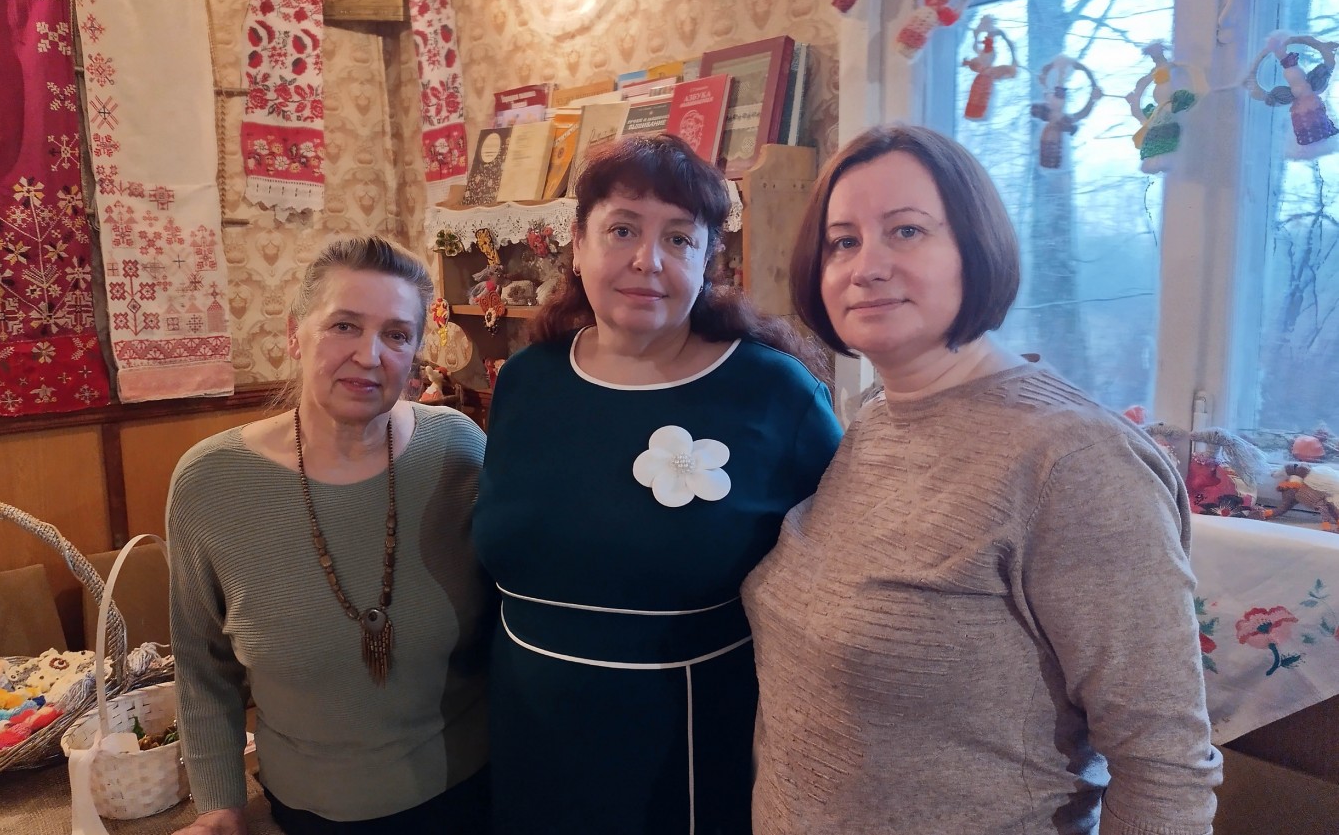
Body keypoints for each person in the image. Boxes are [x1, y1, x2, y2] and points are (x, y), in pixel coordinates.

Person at [742, 124, 1223, 834]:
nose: (866, 267)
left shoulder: (1075, 461)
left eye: (906, 231)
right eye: (843, 241)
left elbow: (1165, 767)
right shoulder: (875, 419)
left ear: (977, 247)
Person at [472, 133, 843, 833]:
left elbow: (842, 588)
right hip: (529, 736)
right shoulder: (527, 380)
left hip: (689, 752)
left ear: (708, 259)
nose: (649, 260)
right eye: (622, 230)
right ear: (577, 244)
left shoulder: (773, 394)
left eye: (679, 238)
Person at [168, 237, 491, 835]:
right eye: (345, 326)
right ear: (295, 334)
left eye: (396, 334)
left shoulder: (460, 451)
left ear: (415, 352)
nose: (369, 355)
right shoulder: (209, 483)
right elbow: (202, 665)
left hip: (471, 794)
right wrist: (220, 805)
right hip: (306, 811)